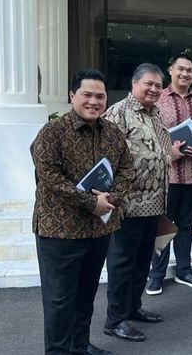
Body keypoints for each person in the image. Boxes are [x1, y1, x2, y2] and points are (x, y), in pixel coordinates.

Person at [31, 69, 134, 355]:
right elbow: (50, 177)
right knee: (59, 300)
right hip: (59, 232)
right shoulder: (52, 132)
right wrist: (91, 203)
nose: (94, 101)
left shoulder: (112, 133)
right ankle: (58, 351)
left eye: (99, 96)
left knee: (86, 294)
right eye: (87, 95)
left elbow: (127, 167)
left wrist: (112, 197)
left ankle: (80, 344)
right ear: (72, 95)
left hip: (99, 229)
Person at [102, 63, 171, 342]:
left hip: (154, 203)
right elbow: (105, 158)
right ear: (134, 84)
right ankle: (115, 319)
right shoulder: (118, 113)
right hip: (127, 205)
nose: (154, 89)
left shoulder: (157, 113)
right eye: (149, 84)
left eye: (158, 85)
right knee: (122, 263)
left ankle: (133, 307)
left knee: (142, 261)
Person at [146, 53, 192, 295]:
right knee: (163, 225)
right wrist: (170, 150)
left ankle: (184, 270)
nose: (185, 74)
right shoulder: (156, 100)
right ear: (171, 70)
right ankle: (156, 274)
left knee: (186, 225)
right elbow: (148, 136)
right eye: (181, 69)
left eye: (189, 70)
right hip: (166, 175)